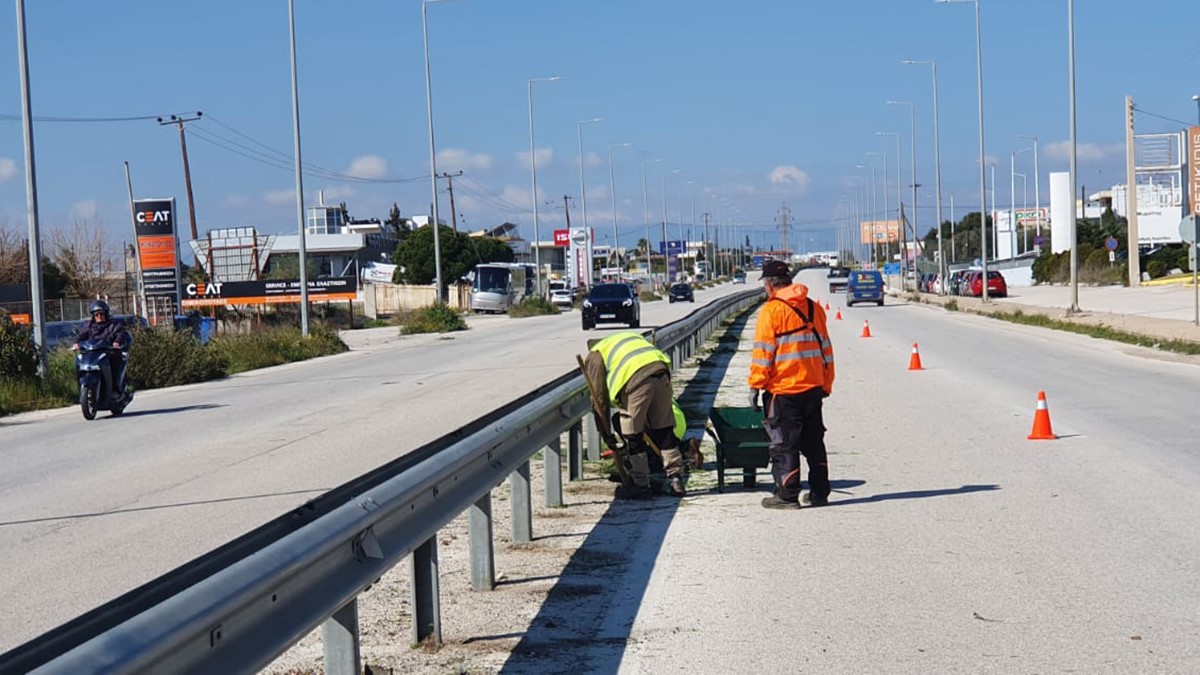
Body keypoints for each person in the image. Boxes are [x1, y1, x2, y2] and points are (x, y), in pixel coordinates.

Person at [748, 260, 836, 510]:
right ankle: (820, 492)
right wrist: (826, 383)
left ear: (769, 284)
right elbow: (826, 350)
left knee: (784, 443)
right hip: (813, 388)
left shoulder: (771, 311)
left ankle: (787, 495)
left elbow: (763, 354)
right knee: (814, 442)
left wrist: (755, 386)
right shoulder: (813, 308)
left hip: (784, 391)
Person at [583, 331, 687, 499]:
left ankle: (641, 486)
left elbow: (599, 400)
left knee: (633, 434)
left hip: (637, 380)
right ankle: (676, 479)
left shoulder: (595, 356)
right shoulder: (629, 339)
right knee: (665, 432)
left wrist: (605, 433)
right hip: (661, 372)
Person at [74, 300, 132, 399]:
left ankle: (116, 389)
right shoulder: (89, 326)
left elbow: (120, 333)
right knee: (80, 363)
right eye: (96, 314)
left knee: (115, 366)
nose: (99, 316)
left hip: (109, 352)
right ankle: (82, 390)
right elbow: (82, 335)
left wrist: (117, 342)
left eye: (101, 314)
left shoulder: (113, 325)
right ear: (93, 316)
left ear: (106, 313)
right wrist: (77, 343)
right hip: (92, 353)